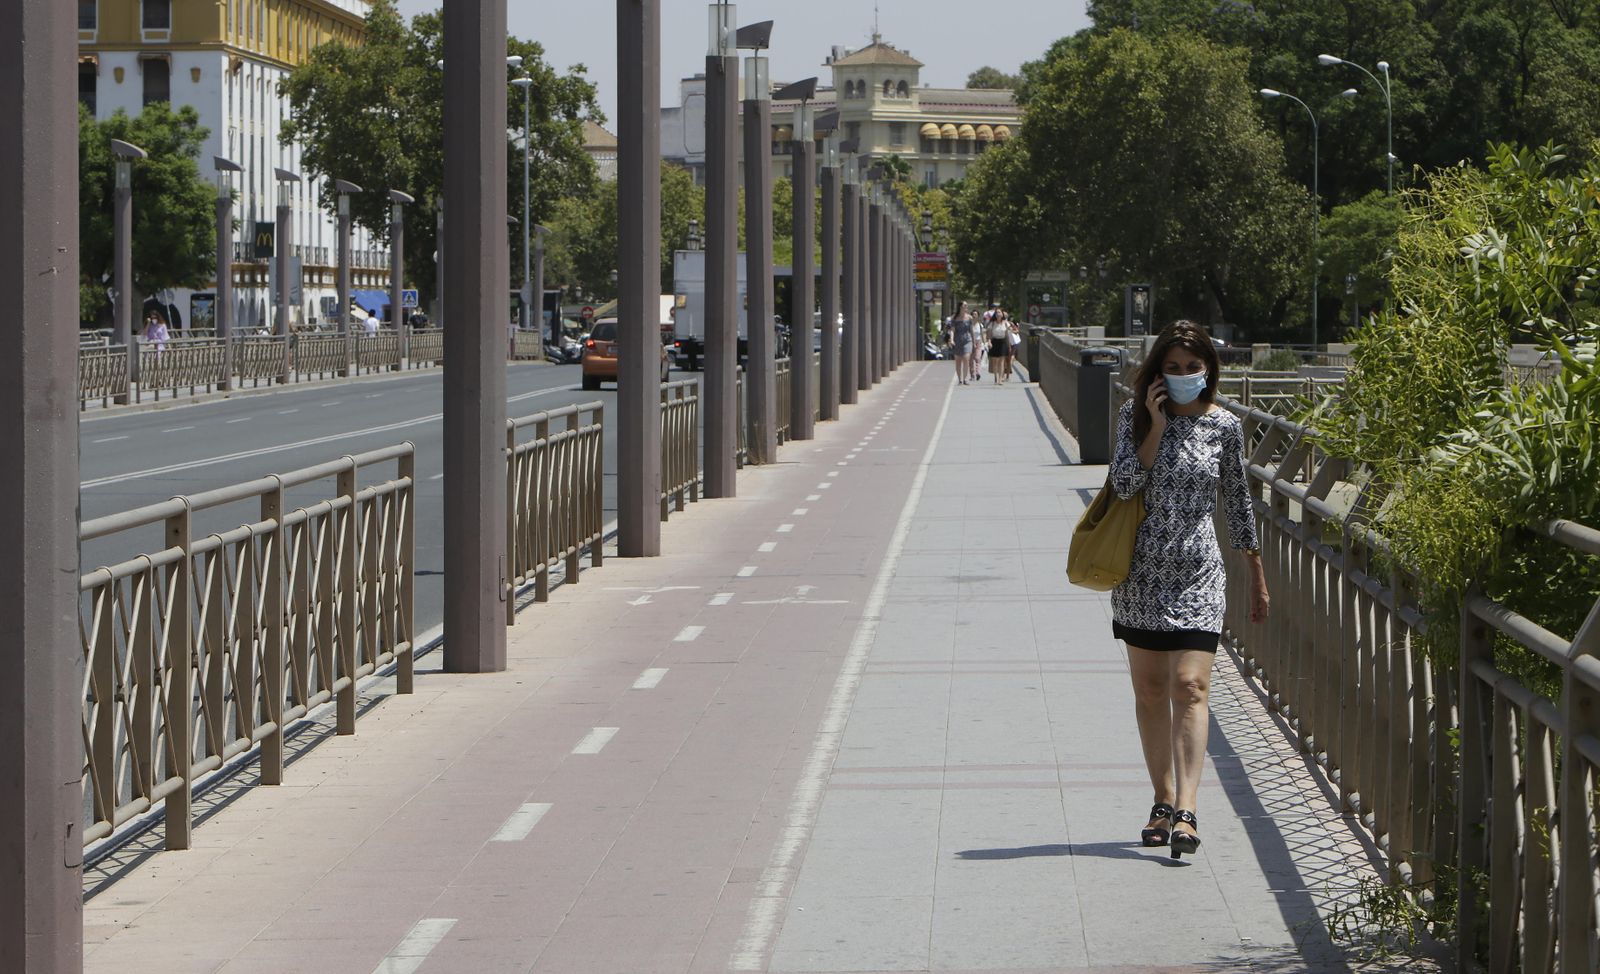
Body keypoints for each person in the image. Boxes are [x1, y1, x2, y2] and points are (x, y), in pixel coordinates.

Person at [1108, 319, 1269, 859]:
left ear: (1208, 371)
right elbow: (1127, 483)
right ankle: (1162, 798)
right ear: (1156, 373)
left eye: (1191, 368)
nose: (1181, 377)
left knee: (1191, 687)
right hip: (1139, 576)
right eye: (1171, 369)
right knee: (1151, 692)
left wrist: (1256, 574)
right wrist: (1153, 423)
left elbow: (1238, 502)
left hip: (1200, 574)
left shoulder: (1223, 425)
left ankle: (1189, 811)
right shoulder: (1133, 419)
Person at [947, 302, 974, 385]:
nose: (966, 307)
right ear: (960, 307)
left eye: (967, 305)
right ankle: (960, 379)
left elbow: (971, 330)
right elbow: (952, 330)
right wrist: (951, 339)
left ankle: (965, 378)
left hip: (967, 340)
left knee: (966, 358)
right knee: (958, 360)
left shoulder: (969, 317)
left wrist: (973, 341)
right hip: (957, 340)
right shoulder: (954, 318)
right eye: (964, 305)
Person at [987, 309, 1009, 383]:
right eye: (996, 313)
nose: (998, 314)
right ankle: (996, 377)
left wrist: (1008, 344)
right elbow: (989, 335)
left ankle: (1000, 379)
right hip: (994, 341)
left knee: (1002, 361)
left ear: (1002, 314)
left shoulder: (1005, 323)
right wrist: (989, 342)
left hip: (1002, 342)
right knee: (995, 361)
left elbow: (1007, 335)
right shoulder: (992, 323)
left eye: (999, 312)